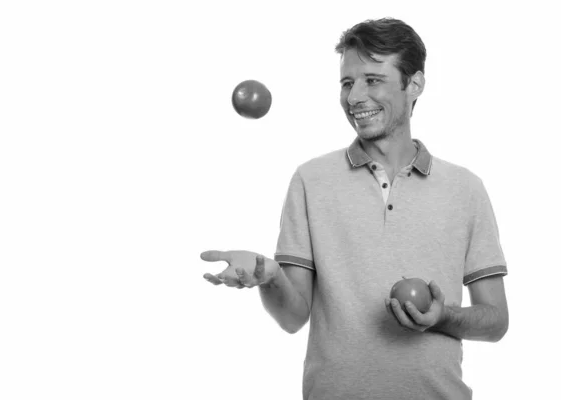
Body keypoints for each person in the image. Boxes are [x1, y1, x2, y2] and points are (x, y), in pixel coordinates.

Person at [201, 17, 509, 400]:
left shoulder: (465, 189)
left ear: (414, 84)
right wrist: (270, 276)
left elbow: (495, 321)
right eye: (347, 83)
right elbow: (292, 317)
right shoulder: (310, 181)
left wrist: (443, 317)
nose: (354, 97)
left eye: (372, 80)